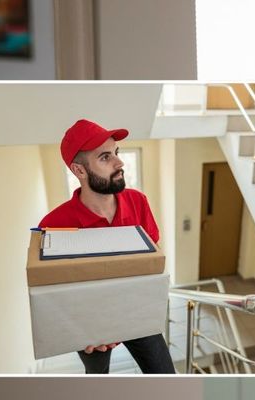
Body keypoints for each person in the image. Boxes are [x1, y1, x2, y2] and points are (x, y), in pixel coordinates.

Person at [40, 119, 175, 374]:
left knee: (166, 377)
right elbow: (57, 293)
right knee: (97, 384)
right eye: (105, 157)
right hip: (90, 330)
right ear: (79, 171)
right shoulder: (54, 225)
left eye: (116, 153)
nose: (119, 163)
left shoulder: (138, 202)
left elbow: (151, 263)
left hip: (137, 313)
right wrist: (84, 329)